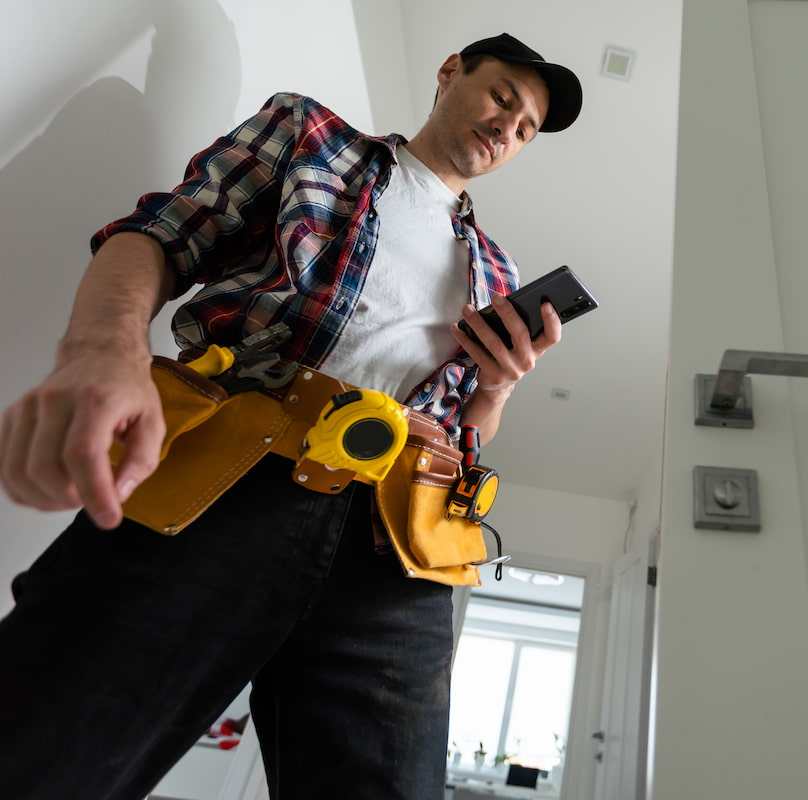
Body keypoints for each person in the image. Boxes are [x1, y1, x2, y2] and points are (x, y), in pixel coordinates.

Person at [0, 32, 582, 800]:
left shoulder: (498, 271)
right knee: (48, 749)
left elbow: (470, 432)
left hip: (400, 546)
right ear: (450, 74)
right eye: (504, 97)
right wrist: (101, 353)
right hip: (227, 479)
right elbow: (161, 238)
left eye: (528, 128)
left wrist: (497, 390)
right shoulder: (310, 137)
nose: (509, 127)